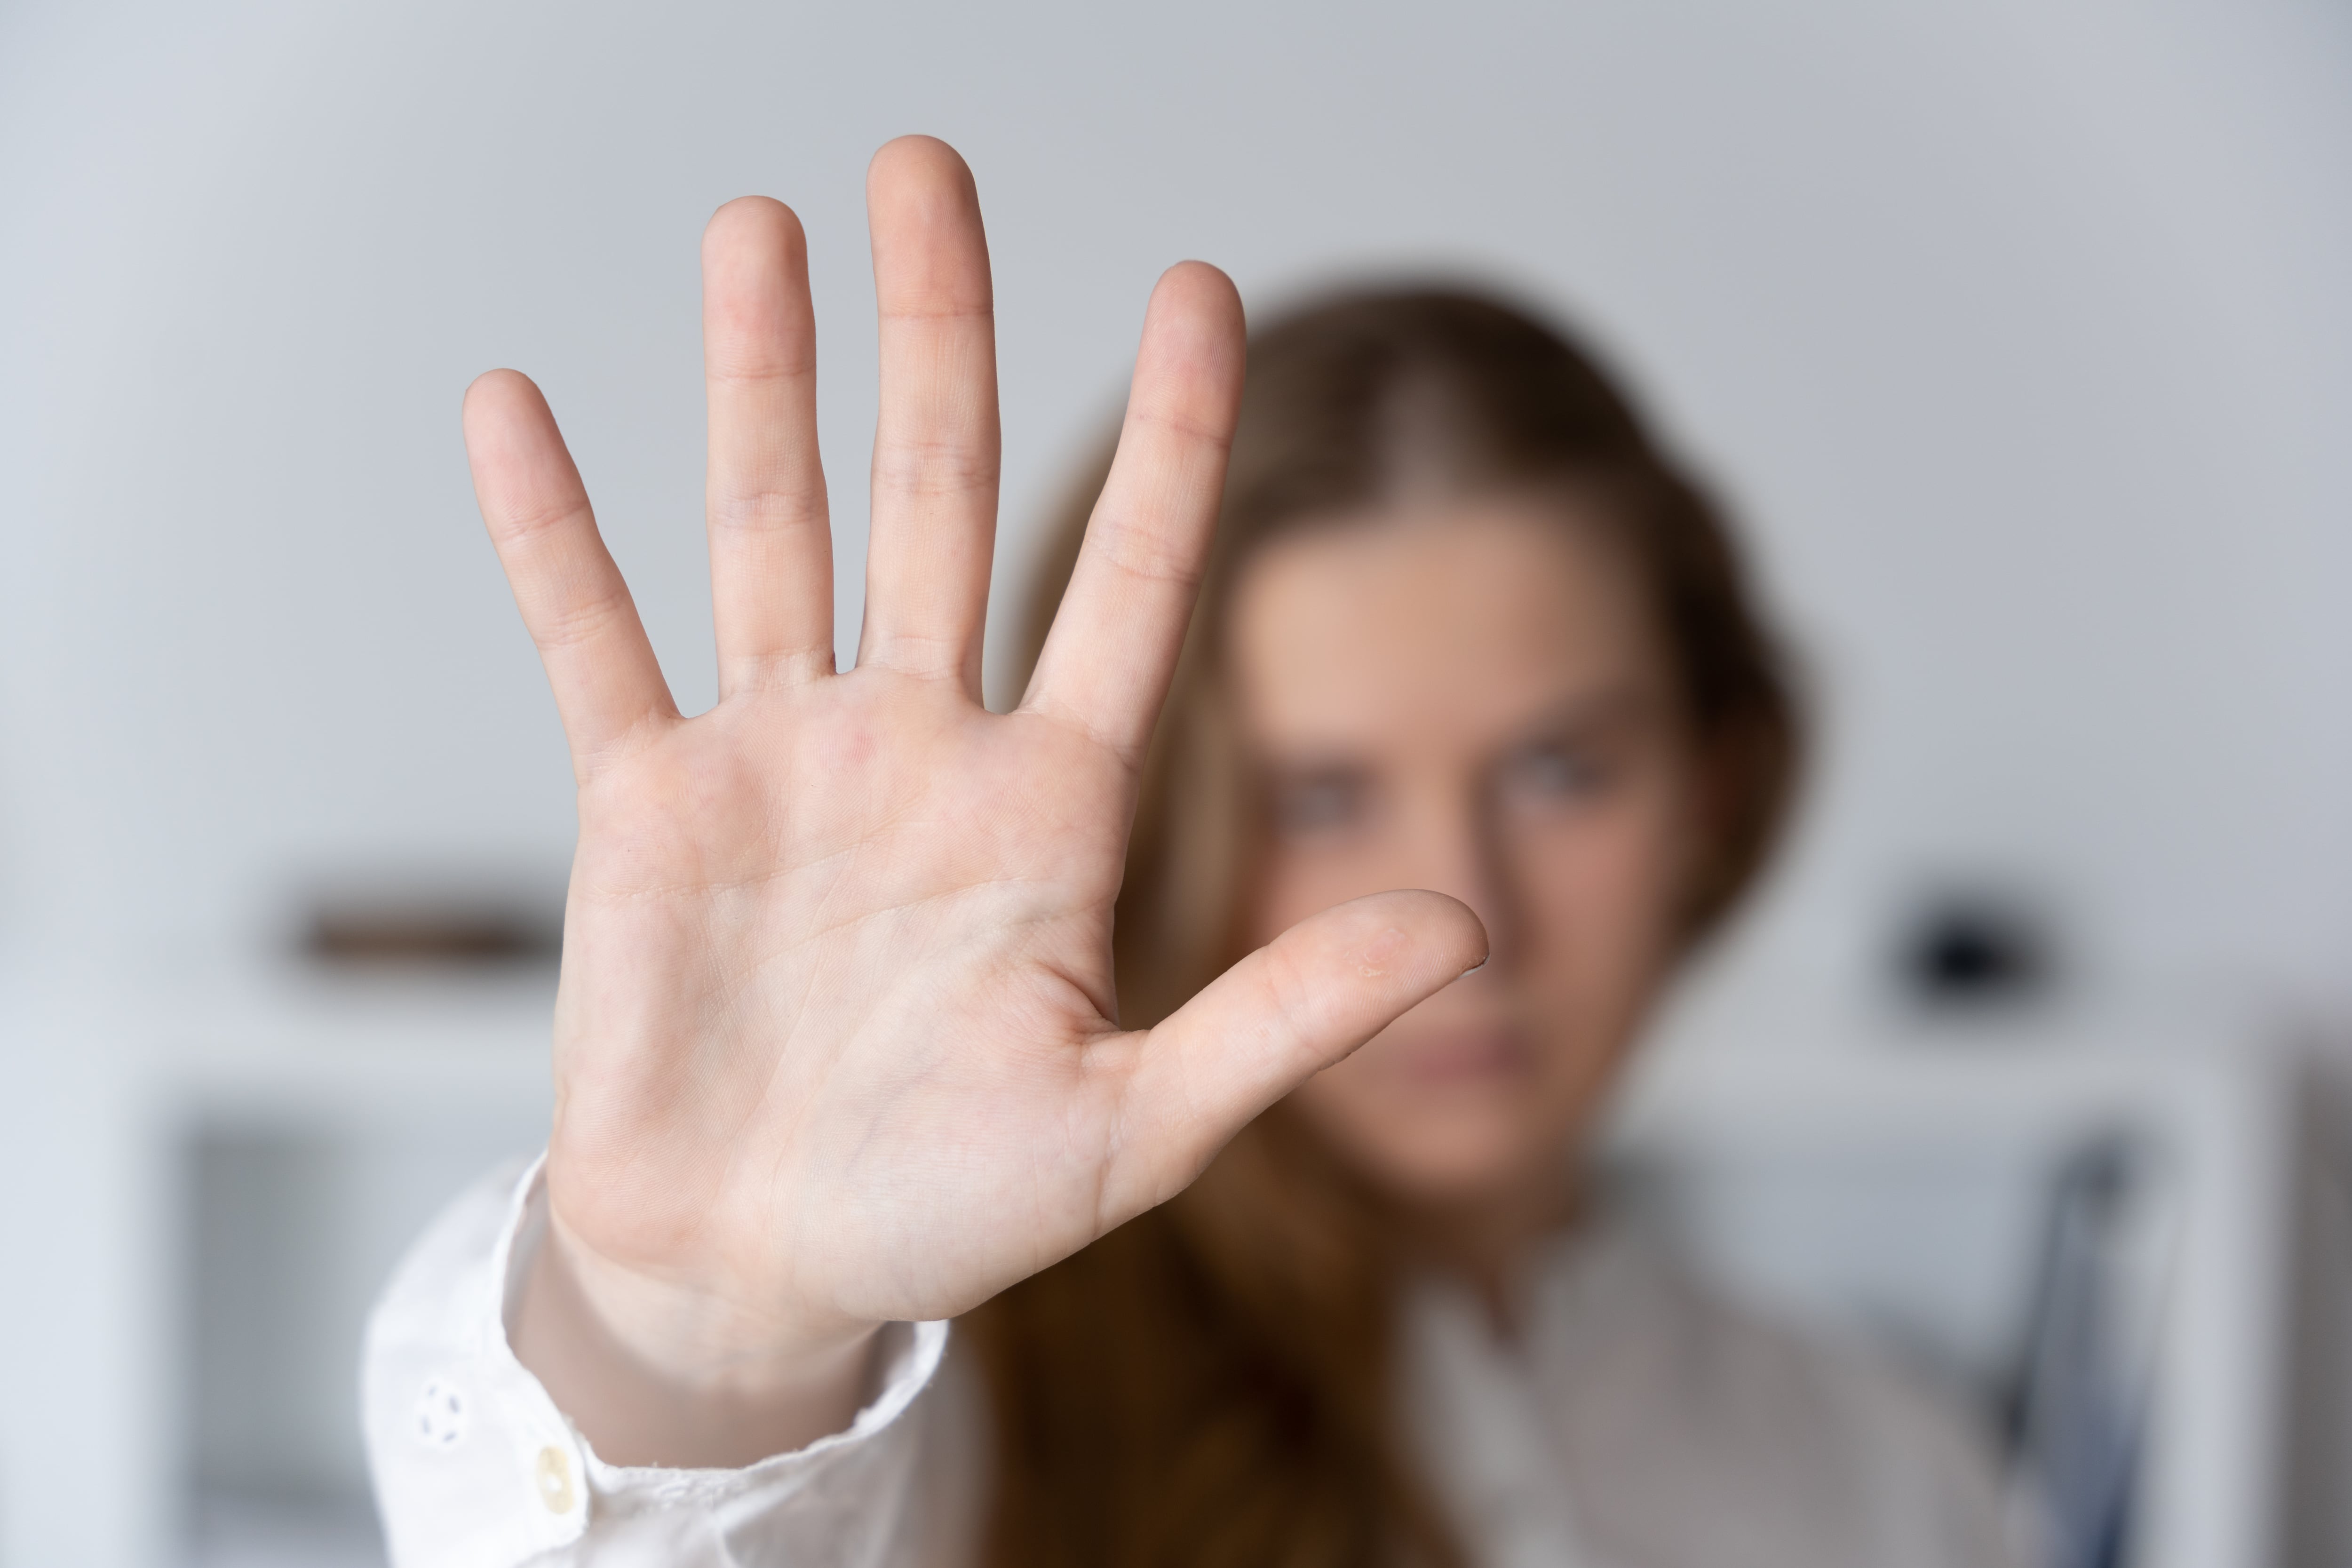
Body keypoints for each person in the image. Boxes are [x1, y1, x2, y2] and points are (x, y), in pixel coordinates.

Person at [362, 136, 2022, 1568]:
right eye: (1320, 796)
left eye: (1561, 770)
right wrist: (702, 1339)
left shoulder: (1888, 1473)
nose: (1461, 918)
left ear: (1718, 789)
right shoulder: (935, 1412)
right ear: (1159, 830)